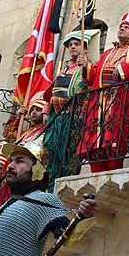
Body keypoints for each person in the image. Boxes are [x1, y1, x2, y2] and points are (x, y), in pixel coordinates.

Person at [78, 13, 129, 172]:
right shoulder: (107, 53)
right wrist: (86, 66)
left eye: (127, 27)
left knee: (114, 143)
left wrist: (124, 68)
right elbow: (93, 77)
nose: (122, 28)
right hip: (98, 104)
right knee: (95, 144)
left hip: (119, 103)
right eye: (121, 26)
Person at [45, 29, 100, 185]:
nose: (73, 47)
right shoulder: (63, 69)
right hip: (56, 117)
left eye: (77, 44)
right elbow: (51, 91)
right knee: (52, 151)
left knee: (68, 153)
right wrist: (46, 108)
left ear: (86, 48)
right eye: (70, 45)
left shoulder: (89, 65)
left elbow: (90, 82)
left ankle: (64, 181)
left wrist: (85, 66)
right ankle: (51, 181)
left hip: (73, 117)